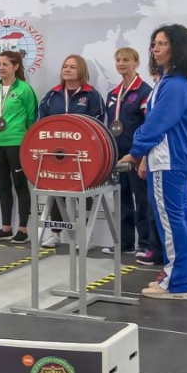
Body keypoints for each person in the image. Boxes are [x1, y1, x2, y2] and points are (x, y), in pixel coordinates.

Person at [119, 25, 187, 300]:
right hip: (176, 159)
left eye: (162, 43)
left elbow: (157, 123)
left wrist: (136, 151)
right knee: (182, 217)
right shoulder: (178, 81)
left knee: (172, 221)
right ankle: (184, 277)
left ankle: (177, 283)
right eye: (154, 43)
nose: (155, 48)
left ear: (178, 48)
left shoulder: (175, 84)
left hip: (169, 160)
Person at [37, 54, 107, 247]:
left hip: (83, 154)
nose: (67, 70)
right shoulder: (52, 95)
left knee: (84, 193)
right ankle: (56, 234)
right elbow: (41, 121)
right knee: (56, 191)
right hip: (57, 152)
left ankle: (87, 236)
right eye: (65, 66)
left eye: (72, 67)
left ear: (82, 71)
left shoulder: (91, 95)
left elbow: (99, 123)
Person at [104, 48, 155, 259]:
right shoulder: (113, 94)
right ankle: (124, 243)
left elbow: (149, 126)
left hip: (137, 155)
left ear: (136, 63)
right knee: (121, 198)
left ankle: (145, 244)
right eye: (118, 60)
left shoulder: (145, 91)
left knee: (142, 200)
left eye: (126, 60)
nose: (121, 63)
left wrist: (143, 157)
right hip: (118, 154)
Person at [0, 51, 38, 243]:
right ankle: (6, 228)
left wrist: (27, 142)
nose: (1, 68)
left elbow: (32, 119)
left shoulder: (25, 89)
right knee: (3, 186)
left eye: (5, 64)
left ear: (16, 66)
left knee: (20, 185)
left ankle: (23, 229)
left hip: (17, 144)